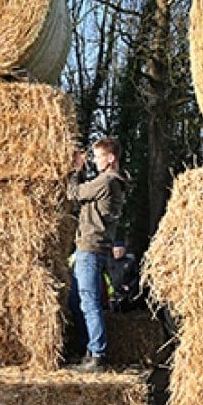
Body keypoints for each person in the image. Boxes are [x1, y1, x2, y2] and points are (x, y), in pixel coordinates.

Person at [65, 137, 128, 373]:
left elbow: (74, 193)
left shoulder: (106, 181)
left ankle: (97, 354)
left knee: (89, 303)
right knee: (76, 301)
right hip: (95, 249)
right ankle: (88, 348)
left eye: (99, 156)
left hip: (90, 248)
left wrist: (75, 169)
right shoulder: (115, 182)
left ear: (110, 158)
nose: (95, 160)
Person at [105, 239, 142, 313]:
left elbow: (136, 276)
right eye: (116, 251)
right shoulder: (108, 262)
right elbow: (105, 275)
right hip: (111, 293)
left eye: (120, 251)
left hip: (126, 294)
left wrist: (129, 286)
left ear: (124, 251)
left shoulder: (130, 262)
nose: (118, 253)